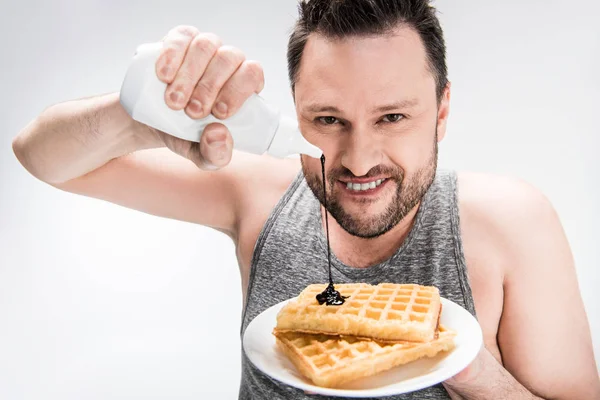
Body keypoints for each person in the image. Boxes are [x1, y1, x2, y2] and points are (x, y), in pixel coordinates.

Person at [11, 0, 599, 399]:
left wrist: (471, 372)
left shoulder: (511, 225)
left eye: (393, 116)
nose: (360, 158)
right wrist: (142, 118)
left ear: (442, 110)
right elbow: (42, 157)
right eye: (327, 119)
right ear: (295, 112)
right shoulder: (257, 192)